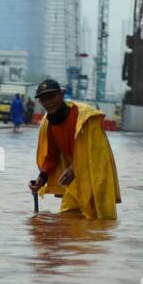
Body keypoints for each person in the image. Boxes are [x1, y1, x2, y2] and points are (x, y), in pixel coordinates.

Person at [27, 79, 121, 219]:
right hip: (76, 181)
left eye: (52, 97)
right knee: (67, 219)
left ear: (62, 95)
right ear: (40, 103)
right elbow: (52, 157)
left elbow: (98, 154)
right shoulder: (49, 124)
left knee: (101, 220)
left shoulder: (84, 118)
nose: (48, 102)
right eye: (43, 99)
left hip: (96, 176)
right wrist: (41, 179)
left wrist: (75, 167)